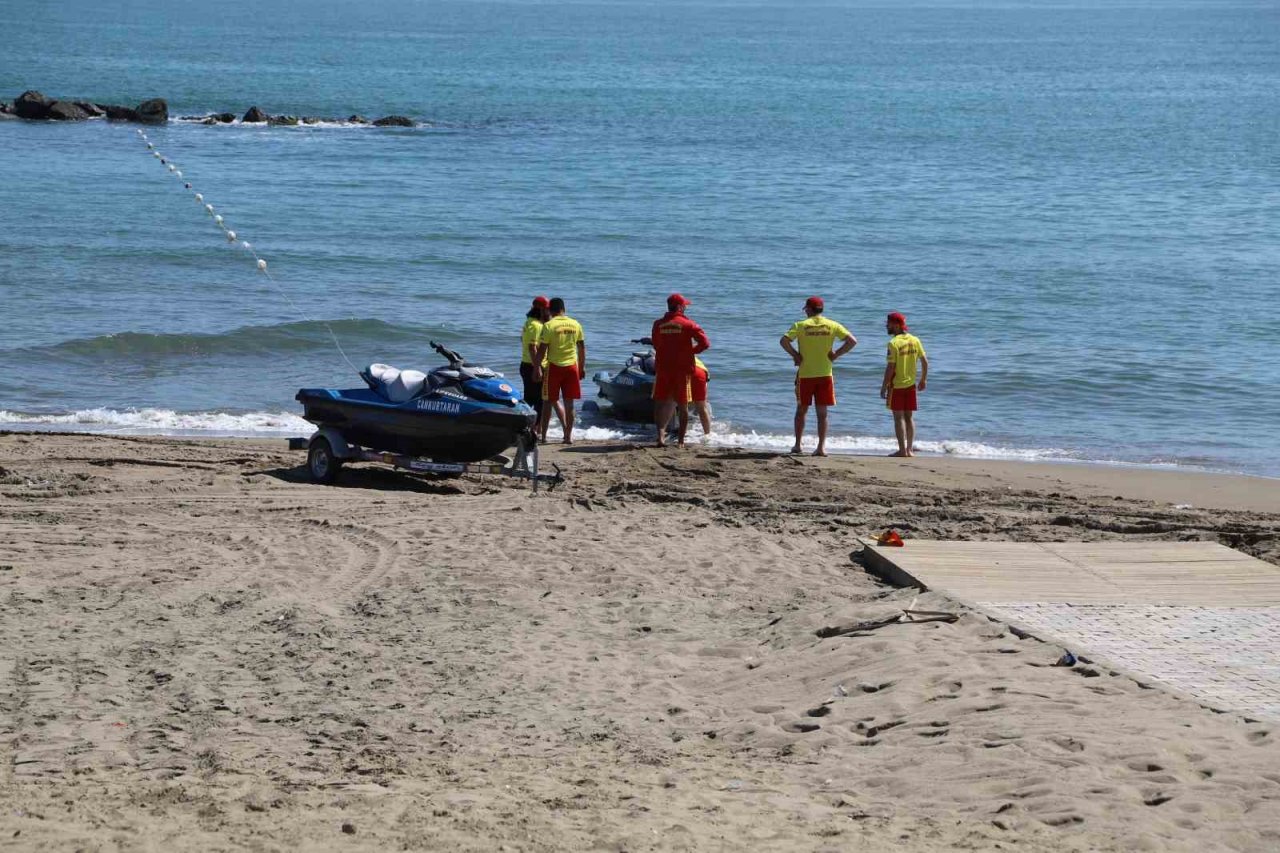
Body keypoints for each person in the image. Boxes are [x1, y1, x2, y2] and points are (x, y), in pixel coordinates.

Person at [779, 295, 856, 457]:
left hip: (806, 374)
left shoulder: (801, 325)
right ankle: (821, 448)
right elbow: (852, 341)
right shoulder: (832, 325)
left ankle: (798, 445)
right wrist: (836, 355)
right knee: (822, 413)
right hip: (825, 374)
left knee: (801, 410)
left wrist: (795, 355)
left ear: (808, 309)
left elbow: (784, 341)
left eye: (806, 309)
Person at [651, 293, 710, 447]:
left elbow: (656, 344)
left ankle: (660, 437)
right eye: (684, 305)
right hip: (682, 370)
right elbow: (705, 343)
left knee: (661, 403)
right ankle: (681, 441)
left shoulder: (658, 324)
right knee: (682, 405)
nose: (686, 307)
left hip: (663, 368)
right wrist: (692, 351)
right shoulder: (689, 324)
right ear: (679, 307)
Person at [534, 297, 586, 444]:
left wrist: (537, 367)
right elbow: (581, 348)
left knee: (547, 402)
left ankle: (543, 437)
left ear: (550, 310)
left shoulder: (549, 325)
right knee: (569, 404)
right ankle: (568, 437)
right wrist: (581, 368)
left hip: (554, 367)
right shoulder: (576, 324)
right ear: (564, 309)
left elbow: (542, 350)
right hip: (572, 368)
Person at [881, 311, 928, 457]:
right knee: (909, 417)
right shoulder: (915, 340)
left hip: (897, 385)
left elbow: (890, 368)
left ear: (895, 325)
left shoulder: (893, 343)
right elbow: (925, 361)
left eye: (888, 323)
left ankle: (902, 450)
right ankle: (910, 449)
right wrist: (923, 379)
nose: (886, 325)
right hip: (911, 385)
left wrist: (884, 386)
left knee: (898, 418)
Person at [519, 296, 550, 419]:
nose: (548, 312)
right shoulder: (537, 325)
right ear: (541, 310)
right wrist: (537, 368)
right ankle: (535, 428)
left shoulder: (528, 322)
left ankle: (525, 423)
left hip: (526, 364)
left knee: (529, 398)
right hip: (534, 365)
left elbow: (522, 339)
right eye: (547, 309)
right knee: (539, 400)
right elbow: (532, 347)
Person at [690, 356, 712, 437]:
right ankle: (708, 434)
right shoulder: (697, 360)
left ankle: (681, 433)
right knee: (702, 406)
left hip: (683, 369)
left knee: (677, 403)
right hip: (701, 372)